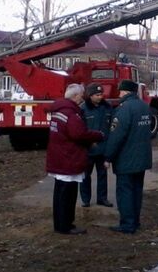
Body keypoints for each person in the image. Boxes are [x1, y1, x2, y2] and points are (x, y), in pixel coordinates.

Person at [46, 83, 104, 235]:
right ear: (75, 96)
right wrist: (98, 135)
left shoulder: (58, 111)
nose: (82, 98)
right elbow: (79, 134)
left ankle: (59, 224)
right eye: (81, 95)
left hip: (59, 157)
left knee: (59, 193)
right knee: (68, 194)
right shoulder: (71, 114)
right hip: (69, 159)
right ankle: (66, 225)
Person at [103, 79, 153, 234]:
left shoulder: (124, 109)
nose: (119, 94)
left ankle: (127, 224)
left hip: (126, 159)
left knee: (125, 192)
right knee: (137, 191)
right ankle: (135, 221)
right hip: (142, 158)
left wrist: (108, 157)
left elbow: (117, 136)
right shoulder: (144, 107)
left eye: (120, 91)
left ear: (125, 92)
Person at [79, 83, 113, 208]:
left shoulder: (107, 107)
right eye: (97, 95)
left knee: (102, 175)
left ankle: (102, 198)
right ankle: (86, 199)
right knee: (85, 176)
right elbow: (80, 130)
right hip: (88, 150)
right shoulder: (83, 109)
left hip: (103, 149)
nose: (100, 97)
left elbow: (111, 127)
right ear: (90, 96)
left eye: (101, 94)